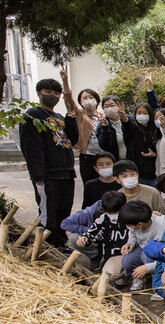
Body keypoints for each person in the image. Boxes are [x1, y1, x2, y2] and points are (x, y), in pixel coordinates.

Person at [19, 77, 79, 247]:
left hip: (66, 172)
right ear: (39, 93)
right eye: (48, 92)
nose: (53, 95)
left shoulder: (59, 117)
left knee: (64, 212)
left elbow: (73, 140)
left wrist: (70, 118)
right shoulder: (33, 116)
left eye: (56, 93)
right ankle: (44, 245)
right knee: (48, 214)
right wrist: (38, 175)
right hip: (48, 175)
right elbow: (32, 149)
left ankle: (59, 244)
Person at [116, 200, 165, 291]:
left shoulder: (162, 227)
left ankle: (157, 281)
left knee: (146, 256)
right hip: (142, 247)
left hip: (159, 252)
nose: (129, 227)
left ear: (140, 224)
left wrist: (147, 268)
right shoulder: (136, 222)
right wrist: (130, 242)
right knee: (127, 261)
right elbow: (132, 233)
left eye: (130, 225)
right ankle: (135, 276)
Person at [76, 191, 130, 270]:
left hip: (126, 254)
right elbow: (92, 231)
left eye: (116, 212)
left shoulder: (130, 218)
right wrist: (85, 237)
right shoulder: (103, 218)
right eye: (110, 213)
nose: (113, 216)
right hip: (108, 255)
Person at [127, 102, 160, 187]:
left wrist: (155, 155)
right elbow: (126, 124)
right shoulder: (133, 128)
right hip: (137, 170)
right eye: (139, 113)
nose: (142, 115)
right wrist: (123, 117)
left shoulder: (156, 130)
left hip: (153, 170)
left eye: (145, 113)